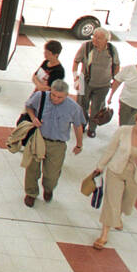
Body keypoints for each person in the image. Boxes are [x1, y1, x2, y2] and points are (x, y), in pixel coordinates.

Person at [91, 111, 137, 250]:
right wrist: (100, 166)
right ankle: (104, 234)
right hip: (116, 170)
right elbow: (110, 150)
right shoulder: (124, 131)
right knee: (112, 202)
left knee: (127, 202)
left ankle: (117, 217)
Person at [22, 79, 87, 207]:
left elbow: (78, 125)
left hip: (57, 144)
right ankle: (31, 193)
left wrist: (79, 144)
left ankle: (48, 188)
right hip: (38, 138)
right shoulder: (40, 97)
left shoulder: (73, 107)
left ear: (66, 95)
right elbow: (29, 106)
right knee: (32, 169)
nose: (55, 99)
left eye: (60, 97)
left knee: (52, 173)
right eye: (53, 95)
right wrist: (33, 118)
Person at [72, 28, 120, 136]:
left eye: (99, 38)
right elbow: (76, 62)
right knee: (81, 106)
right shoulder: (86, 46)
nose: (95, 39)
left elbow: (116, 65)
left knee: (96, 108)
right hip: (85, 82)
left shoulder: (112, 50)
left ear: (106, 40)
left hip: (103, 85)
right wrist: (76, 79)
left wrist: (115, 79)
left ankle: (92, 129)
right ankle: (82, 124)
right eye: (94, 36)